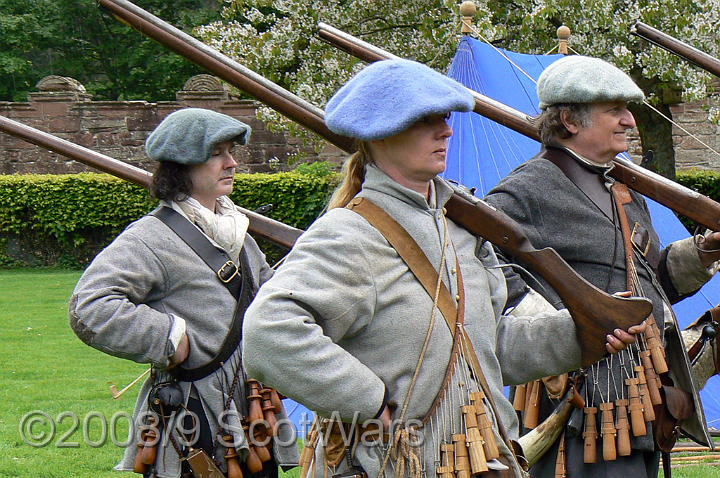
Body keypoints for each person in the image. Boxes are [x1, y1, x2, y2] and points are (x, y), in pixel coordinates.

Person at [241, 59, 642, 478]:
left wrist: (579, 333)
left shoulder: (465, 227)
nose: (446, 130)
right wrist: (368, 400)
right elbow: (269, 333)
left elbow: (490, 346)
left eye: (445, 118)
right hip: (393, 464)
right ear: (381, 133)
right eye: (426, 120)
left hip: (482, 457)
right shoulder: (349, 234)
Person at [484, 55, 720, 478]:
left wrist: (703, 254)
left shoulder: (623, 187)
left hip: (643, 400)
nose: (630, 120)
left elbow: (650, 283)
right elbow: (484, 264)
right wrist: (566, 324)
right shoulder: (527, 188)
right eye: (615, 110)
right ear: (570, 120)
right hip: (583, 405)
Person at [69, 108, 299, 478]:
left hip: (252, 410)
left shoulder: (234, 230)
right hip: (190, 416)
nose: (232, 163)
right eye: (217, 154)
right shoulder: (150, 238)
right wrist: (167, 337)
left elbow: (268, 299)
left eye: (230, 152)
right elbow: (90, 307)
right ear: (183, 166)